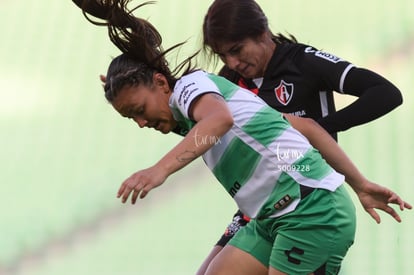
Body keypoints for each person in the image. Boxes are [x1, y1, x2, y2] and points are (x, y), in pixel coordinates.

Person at [72, 1, 412, 273]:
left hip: (310, 210)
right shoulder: (198, 101)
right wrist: (361, 184)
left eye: (139, 111)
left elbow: (218, 121)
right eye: (132, 116)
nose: (141, 122)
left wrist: (159, 170)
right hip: (270, 213)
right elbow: (305, 128)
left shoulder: (199, 90)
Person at [197, 0, 412, 273]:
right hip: (260, 207)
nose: (232, 62)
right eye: (222, 55)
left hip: (306, 200)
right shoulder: (229, 81)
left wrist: (316, 129)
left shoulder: (304, 62)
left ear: (262, 32)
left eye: (236, 50)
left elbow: (385, 93)